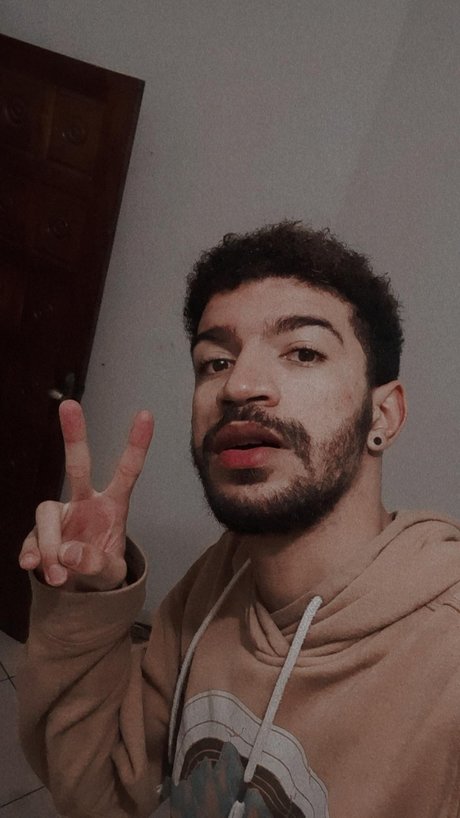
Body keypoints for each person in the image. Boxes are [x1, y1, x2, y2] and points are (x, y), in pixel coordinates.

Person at [17, 222, 460, 818]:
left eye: (303, 352)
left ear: (383, 414)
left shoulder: (446, 661)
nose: (239, 385)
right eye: (215, 360)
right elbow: (102, 795)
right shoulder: (215, 583)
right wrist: (85, 602)